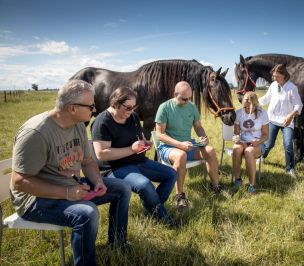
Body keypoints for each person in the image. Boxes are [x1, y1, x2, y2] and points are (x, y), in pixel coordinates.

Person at [10, 80, 132, 266]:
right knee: (87, 213)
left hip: (68, 186)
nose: (94, 110)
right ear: (73, 108)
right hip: (34, 200)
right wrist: (67, 193)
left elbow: (88, 161)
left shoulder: (78, 125)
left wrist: (98, 180)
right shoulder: (36, 133)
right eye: (91, 106)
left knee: (122, 188)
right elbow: (19, 181)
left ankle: (118, 244)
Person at [91, 87, 177, 226]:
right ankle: (165, 219)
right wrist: (131, 149)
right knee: (144, 185)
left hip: (139, 161)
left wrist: (145, 143)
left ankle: (152, 209)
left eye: (134, 107)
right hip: (115, 167)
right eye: (128, 107)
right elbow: (101, 154)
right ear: (115, 103)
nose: (131, 111)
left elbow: (140, 137)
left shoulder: (133, 116)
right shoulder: (102, 122)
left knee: (171, 174)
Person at [155, 81, 222, 210]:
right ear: (175, 94)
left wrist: (203, 136)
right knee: (181, 156)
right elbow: (160, 135)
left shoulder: (191, 107)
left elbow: (198, 127)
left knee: (210, 150)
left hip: (188, 145)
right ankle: (179, 196)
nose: (187, 101)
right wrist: (179, 144)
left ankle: (216, 186)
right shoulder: (164, 107)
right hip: (169, 147)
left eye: (189, 98)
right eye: (184, 99)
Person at [259, 64, 303, 178]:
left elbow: (299, 105)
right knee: (268, 144)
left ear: (283, 75)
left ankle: (290, 169)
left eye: (276, 76)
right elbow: (266, 99)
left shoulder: (292, 88)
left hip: (286, 122)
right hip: (272, 120)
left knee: (288, 144)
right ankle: (261, 157)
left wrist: (290, 116)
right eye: (273, 76)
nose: (274, 78)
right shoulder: (273, 85)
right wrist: (253, 100)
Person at [232, 92, 269, 195]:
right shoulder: (238, 113)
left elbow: (266, 135)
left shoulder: (262, 113)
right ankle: (237, 180)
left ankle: (252, 185)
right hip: (243, 142)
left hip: (258, 143)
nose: (248, 110)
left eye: (251, 107)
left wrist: (258, 141)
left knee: (248, 152)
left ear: (256, 104)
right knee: (236, 149)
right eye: (246, 108)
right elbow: (236, 133)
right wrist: (237, 139)